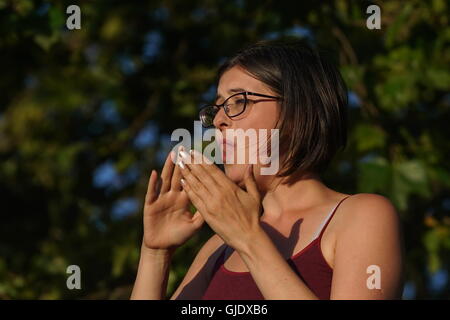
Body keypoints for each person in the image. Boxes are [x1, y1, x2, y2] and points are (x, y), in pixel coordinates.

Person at [130, 39, 404, 300]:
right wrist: (155, 253)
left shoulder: (362, 216)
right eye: (217, 109)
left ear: (297, 113)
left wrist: (249, 240)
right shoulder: (218, 249)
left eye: (238, 102)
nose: (220, 121)